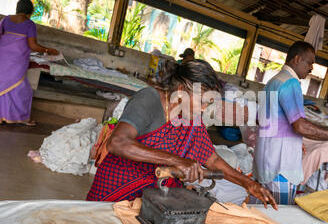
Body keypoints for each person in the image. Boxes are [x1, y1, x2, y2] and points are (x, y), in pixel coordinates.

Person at [86, 59, 277, 210]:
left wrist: (248, 184)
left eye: (207, 104)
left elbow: (211, 159)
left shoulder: (190, 118)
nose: (203, 109)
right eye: (201, 101)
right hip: (116, 191)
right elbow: (118, 143)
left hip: (156, 198)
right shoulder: (149, 99)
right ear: (180, 91)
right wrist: (176, 161)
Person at [251, 41, 328, 205]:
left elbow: (261, 119)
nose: (311, 68)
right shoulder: (291, 83)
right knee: (277, 216)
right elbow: (300, 126)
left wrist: (295, 140)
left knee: (260, 211)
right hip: (280, 167)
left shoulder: (273, 81)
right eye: (310, 62)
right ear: (297, 59)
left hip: (264, 159)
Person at [0, 0, 59, 126]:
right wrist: (48, 50)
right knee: (22, 90)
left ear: (17, 8)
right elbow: (33, 46)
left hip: (3, 59)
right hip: (17, 62)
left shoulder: (4, 20)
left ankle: (3, 117)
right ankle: (22, 118)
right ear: (30, 12)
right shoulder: (29, 24)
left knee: (3, 86)